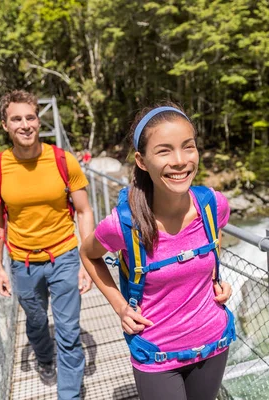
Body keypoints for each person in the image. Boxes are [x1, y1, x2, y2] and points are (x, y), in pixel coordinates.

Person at [79, 103, 235, 400]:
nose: (180, 161)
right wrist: (120, 307)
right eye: (164, 151)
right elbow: (88, 254)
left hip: (214, 342)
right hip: (157, 354)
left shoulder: (213, 205)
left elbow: (214, 242)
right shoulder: (124, 224)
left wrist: (214, 277)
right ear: (141, 160)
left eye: (188, 147)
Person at [0, 90, 93, 400]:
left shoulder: (62, 160)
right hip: (22, 263)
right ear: (5, 125)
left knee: (69, 332)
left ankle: (68, 395)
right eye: (16, 119)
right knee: (35, 321)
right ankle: (44, 358)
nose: (25, 124)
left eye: (30, 117)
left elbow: (84, 211)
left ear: (38, 120)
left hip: (65, 256)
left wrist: (87, 262)